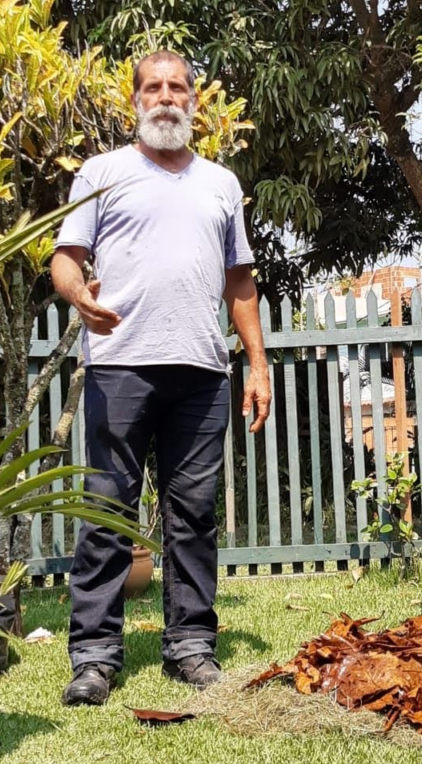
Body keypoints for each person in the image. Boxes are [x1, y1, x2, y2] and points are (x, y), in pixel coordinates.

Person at [51, 50, 270, 706]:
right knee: (107, 513)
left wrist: (256, 363)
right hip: (121, 366)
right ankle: (94, 656)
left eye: (178, 88)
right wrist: (78, 297)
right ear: (136, 101)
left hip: (202, 372)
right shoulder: (103, 172)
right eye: (154, 88)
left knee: (193, 516)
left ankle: (191, 647)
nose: (167, 98)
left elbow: (240, 283)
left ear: (194, 102)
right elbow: (67, 258)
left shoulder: (221, 184)